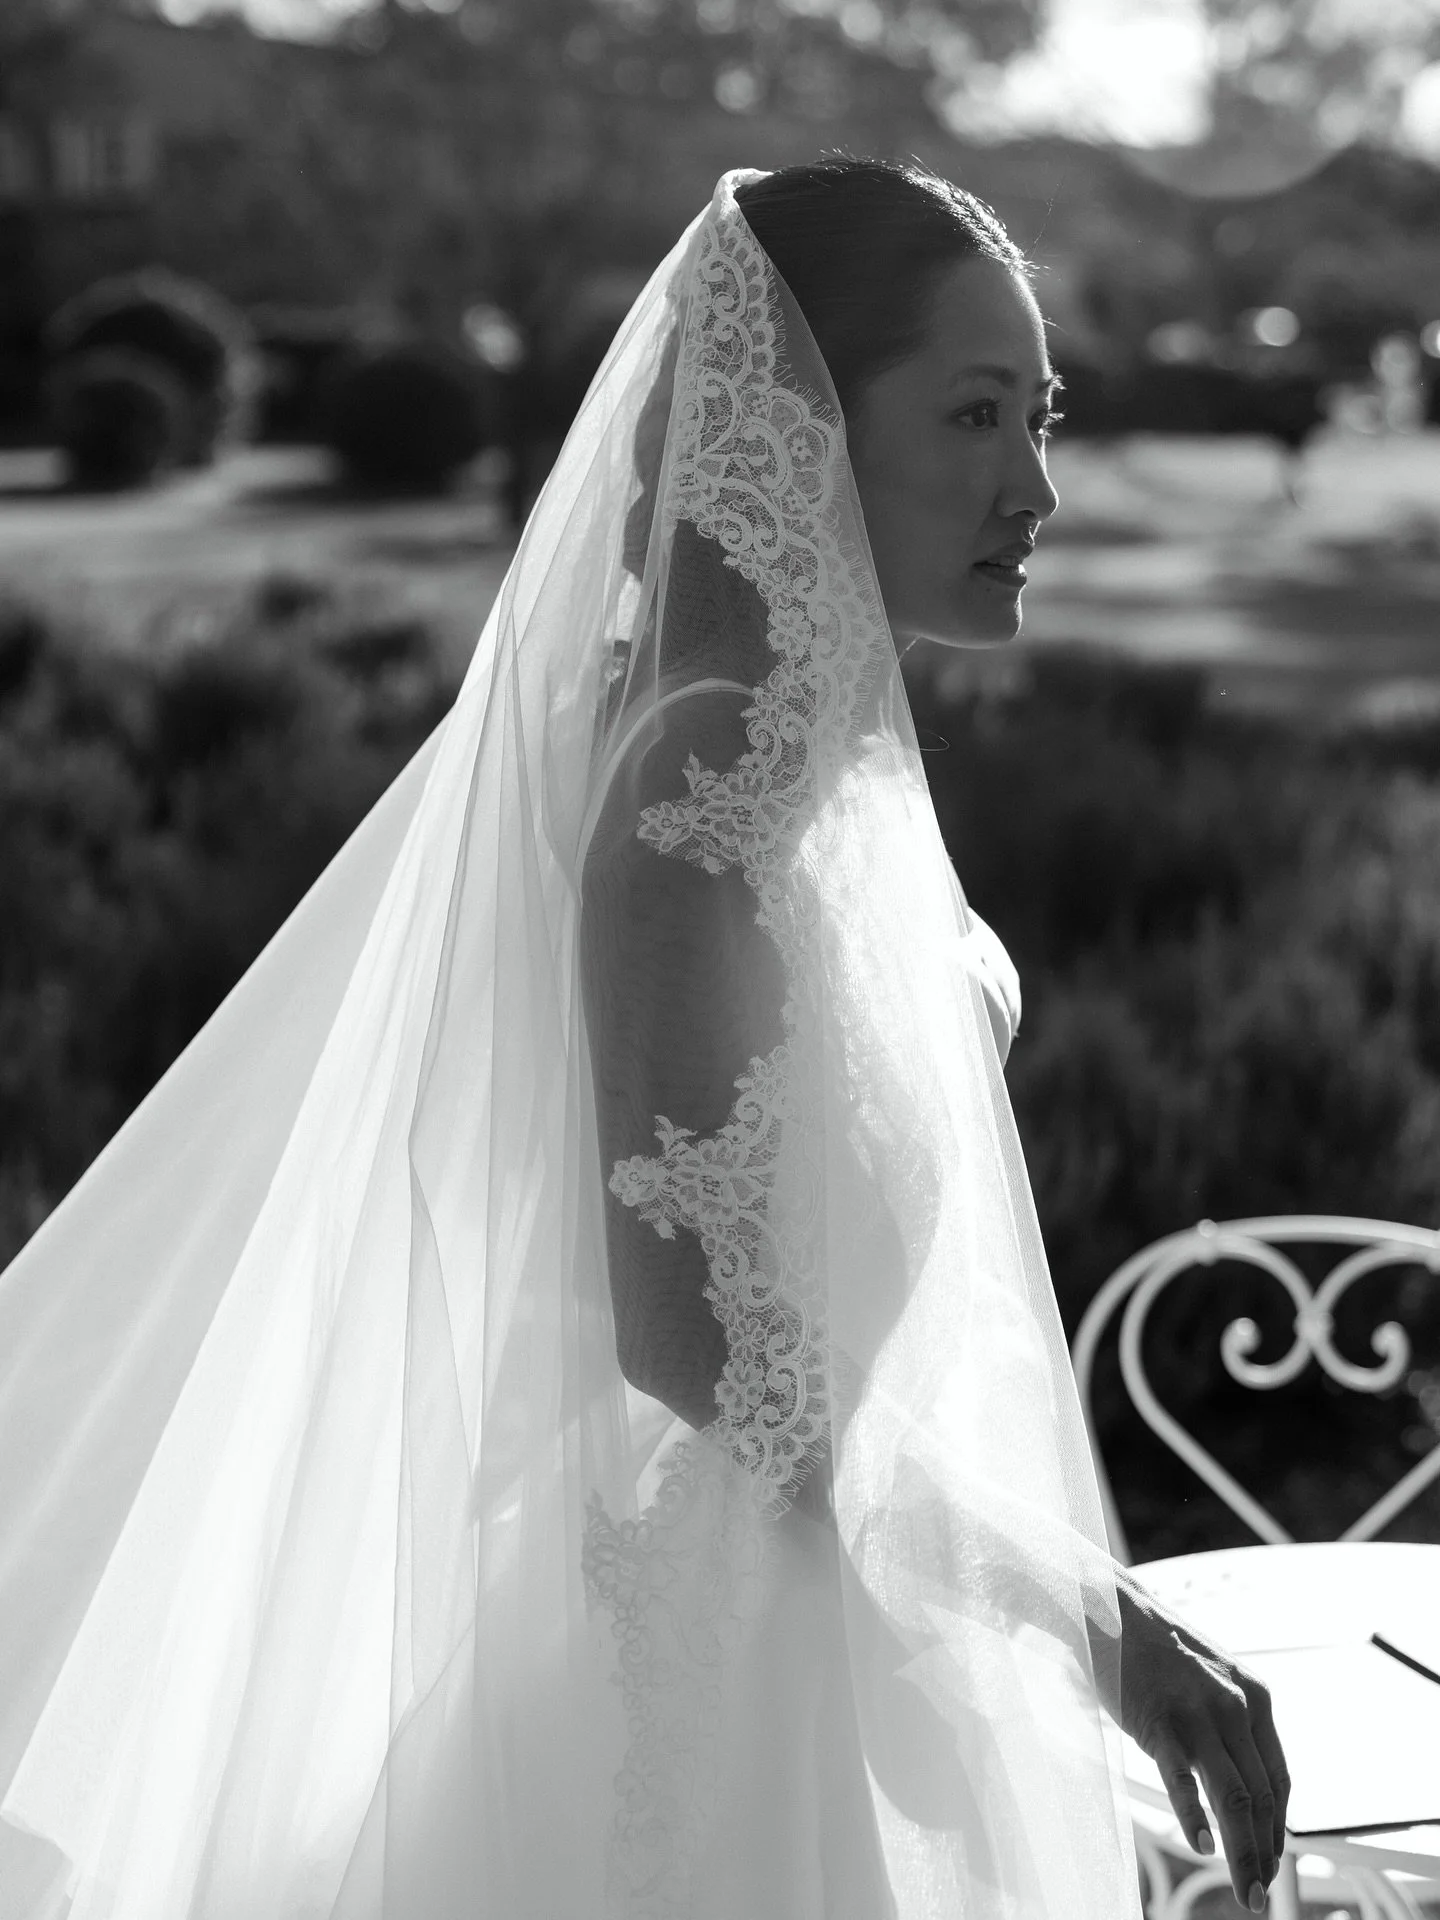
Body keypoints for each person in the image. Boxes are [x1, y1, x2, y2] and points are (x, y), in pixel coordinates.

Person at [0, 160, 1287, 1920]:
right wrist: (1087, 1611)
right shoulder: (707, 771)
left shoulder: (814, 742)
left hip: (851, 1597)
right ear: (803, 428)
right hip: (720, 1695)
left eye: (1043, 415)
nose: (1035, 484)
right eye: (976, 413)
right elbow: (708, 1351)